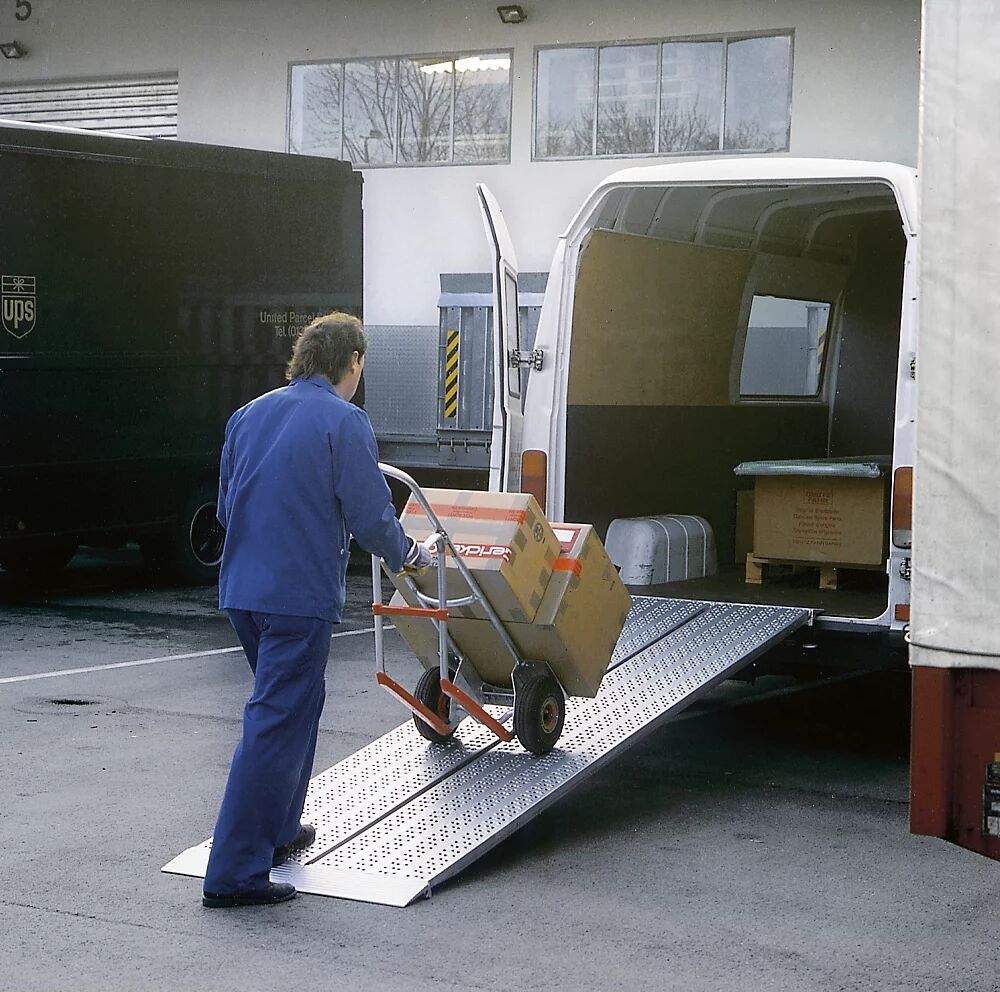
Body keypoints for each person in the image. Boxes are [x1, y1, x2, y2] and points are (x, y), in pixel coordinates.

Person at [202, 311, 431, 909]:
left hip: (243, 593)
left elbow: (227, 508)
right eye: (362, 365)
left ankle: (280, 828)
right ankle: (234, 871)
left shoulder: (247, 416)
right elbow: (371, 516)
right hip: (297, 598)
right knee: (275, 720)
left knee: (296, 704)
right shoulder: (344, 421)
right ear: (351, 362)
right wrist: (412, 556)